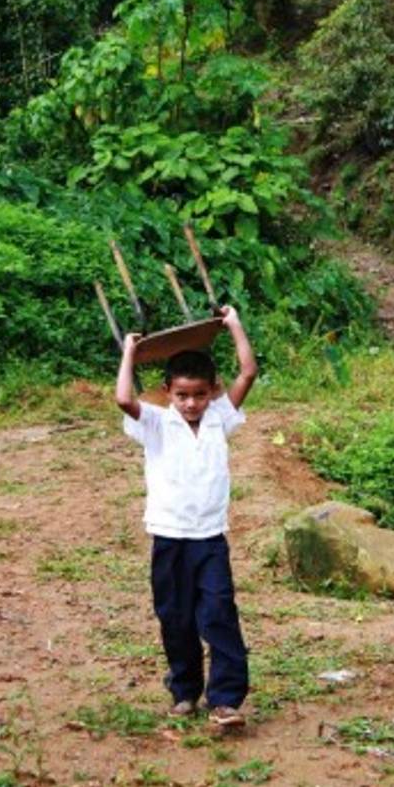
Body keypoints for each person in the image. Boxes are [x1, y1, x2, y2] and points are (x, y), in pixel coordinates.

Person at [116, 305, 257, 728]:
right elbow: (124, 398)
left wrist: (232, 324)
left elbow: (248, 372)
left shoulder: (219, 418)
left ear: (212, 391)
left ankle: (226, 700)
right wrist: (129, 351)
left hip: (210, 539)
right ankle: (185, 692)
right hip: (169, 537)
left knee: (218, 615)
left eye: (199, 394)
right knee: (175, 617)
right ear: (167, 392)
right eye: (182, 395)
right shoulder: (156, 423)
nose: (191, 403)